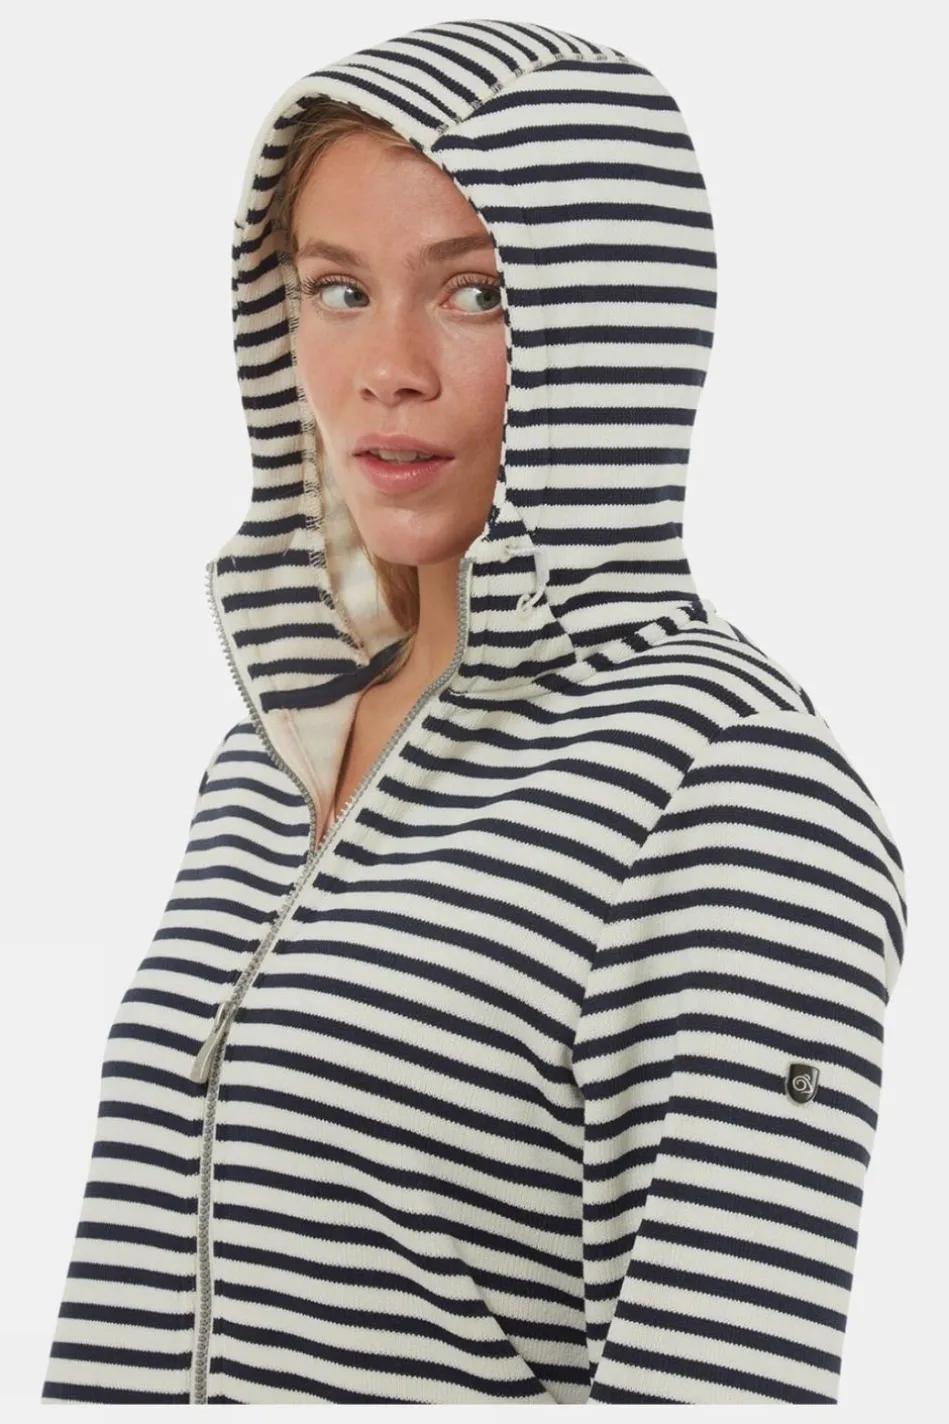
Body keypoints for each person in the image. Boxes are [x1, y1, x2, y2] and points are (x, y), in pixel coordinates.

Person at [41, 18, 907, 1407]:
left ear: (612, 334)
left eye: (477, 293)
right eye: (337, 289)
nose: (388, 365)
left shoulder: (730, 787)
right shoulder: (266, 762)